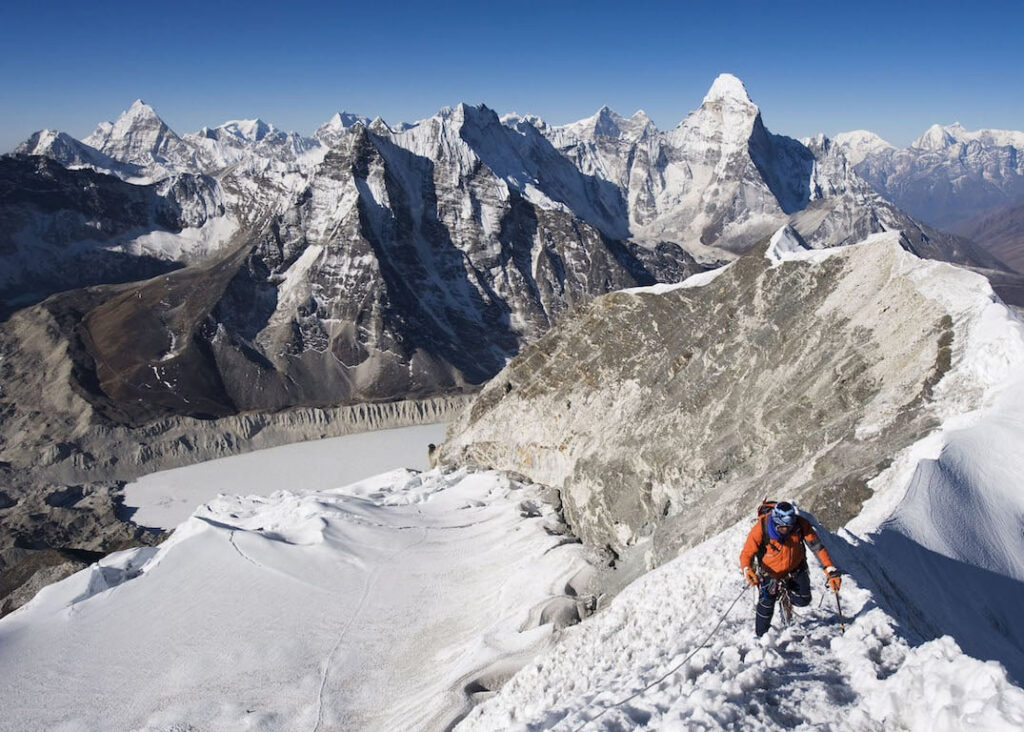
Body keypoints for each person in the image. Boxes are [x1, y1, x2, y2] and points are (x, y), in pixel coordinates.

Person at [739, 501, 842, 636]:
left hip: (795, 568)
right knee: (766, 604)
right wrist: (747, 569)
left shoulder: (800, 525)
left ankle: (785, 596)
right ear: (775, 522)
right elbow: (747, 553)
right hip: (770, 573)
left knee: (803, 599)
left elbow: (817, 547)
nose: (786, 530)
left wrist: (830, 569)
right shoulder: (761, 528)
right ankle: (760, 635)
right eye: (782, 527)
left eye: (789, 527)